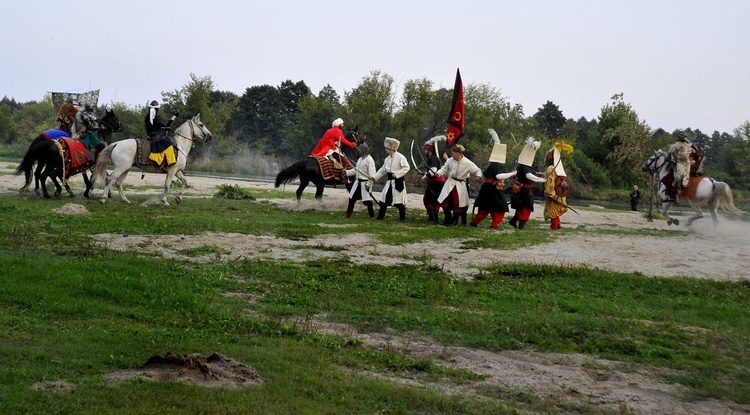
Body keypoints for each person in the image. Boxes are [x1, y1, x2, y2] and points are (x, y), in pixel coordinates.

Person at [470, 129, 517, 228]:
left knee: (486, 207)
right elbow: (498, 176)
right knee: (500, 207)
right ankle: (494, 224)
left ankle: (475, 222)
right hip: (493, 188)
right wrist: (512, 173)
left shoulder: (492, 164)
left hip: (487, 187)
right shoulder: (496, 165)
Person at [435, 144, 483, 226]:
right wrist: (439, 173)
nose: (452, 155)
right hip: (450, 183)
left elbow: (477, 170)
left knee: (457, 203)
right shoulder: (450, 160)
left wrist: (478, 176)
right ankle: (448, 219)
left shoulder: (467, 162)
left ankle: (455, 220)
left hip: (460, 185)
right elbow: (444, 169)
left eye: (453, 153)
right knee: (444, 200)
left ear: (458, 154)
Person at [508, 137, 546, 229]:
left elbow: (530, 173)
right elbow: (528, 176)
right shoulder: (525, 166)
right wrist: (541, 180)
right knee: (526, 207)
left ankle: (514, 220)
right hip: (524, 189)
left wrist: (538, 174)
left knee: (521, 206)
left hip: (522, 188)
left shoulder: (522, 165)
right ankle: (521, 224)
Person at [371, 137, 410, 222]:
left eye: (387, 148)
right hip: (390, 182)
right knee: (384, 200)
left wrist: (396, 174)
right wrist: (374, 177)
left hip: (398, 182)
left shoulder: (401, 157)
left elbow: (406, 168)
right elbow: (383, 170)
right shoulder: (387, 159)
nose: (385, 150)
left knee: (399, 202)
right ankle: (380, 217)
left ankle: (402, 219)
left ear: (391, 148)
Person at [543, 142, 573, 230]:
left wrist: (551, 193)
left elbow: (550, 181)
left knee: (553, 211)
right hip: (560, 194)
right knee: (556, 210)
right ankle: (557, 225)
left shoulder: (550, 168)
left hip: (554, 194)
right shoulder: (558, 168)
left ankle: (554, 226)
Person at [667, 130, 703, 200]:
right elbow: (698, 156)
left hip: (686, 164)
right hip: (685, 163)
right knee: (679, 176)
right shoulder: (689, 145)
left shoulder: (686, 145)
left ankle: (674, 191)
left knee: (677, 177)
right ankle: (676, 191)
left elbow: (669, 155)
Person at [344, 143, 377, 219]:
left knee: (367, 201)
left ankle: (372, 216)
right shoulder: (360, 159)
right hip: (357, 183)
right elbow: (356, 171)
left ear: (363, 150)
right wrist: (346, 172)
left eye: (359, 150)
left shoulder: (369, 160)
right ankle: (348, 214)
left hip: (365, 183)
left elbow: (372, 175)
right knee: (352, 198)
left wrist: (369, 184)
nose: (358, 151)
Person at [145, 100, 179, 170]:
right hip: (157, 137)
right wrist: (174, 116)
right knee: (169, 142)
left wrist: (164, 128)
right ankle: (168, 163)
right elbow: (167, 124)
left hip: (150, 135)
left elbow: (155, 126)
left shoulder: (147, 116)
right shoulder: (156, 117)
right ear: (157, 109)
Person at [420, 135, 446, 223]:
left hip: (436, 182)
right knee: (433, 200)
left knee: (429, 200)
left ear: (429, 149)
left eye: (426, 149)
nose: (425, 151)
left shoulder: (434, 158)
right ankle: (433, 217)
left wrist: (424, 177)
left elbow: (433, 170)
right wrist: (424, 175)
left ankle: (433, 218)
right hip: (437, 182)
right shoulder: (433, 158)